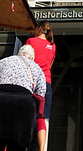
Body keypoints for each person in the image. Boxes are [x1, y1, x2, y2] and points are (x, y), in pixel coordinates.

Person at [0, 44, 46, 151]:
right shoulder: (37, 68)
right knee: (18, 145)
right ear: (32, 58)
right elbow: (41, 93)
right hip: (24, 104)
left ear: (18, 54)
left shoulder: (4, 61)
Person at [25, 22, 56, 151]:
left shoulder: (31, 41)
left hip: (31, 81)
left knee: (28, 114)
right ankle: (43, 148)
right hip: (46, 82)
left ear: (38, 29)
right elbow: (49, 66)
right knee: (43, 117)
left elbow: (24, 61)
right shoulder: (52, 45)